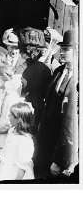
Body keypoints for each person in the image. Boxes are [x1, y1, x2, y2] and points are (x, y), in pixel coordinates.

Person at [35, 30, 78, 180]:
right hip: (47, 138)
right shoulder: (59, 71)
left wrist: (61, 159)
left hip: (62, 144)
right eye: (62, 48)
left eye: (67, 49)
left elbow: (72, 124)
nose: (62, 52)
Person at [18, 27, 52, 131]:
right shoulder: (19, 66)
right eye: (29, 47)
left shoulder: (44, 69)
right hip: (24, 108)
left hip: (30, 109)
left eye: (34, 49)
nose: (31, 51)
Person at [0, 102, 35, 181]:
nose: (8, 116)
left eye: (11, 115)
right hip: (4, 168)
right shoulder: (12, 130)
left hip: (14, 174)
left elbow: (23, 167)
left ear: (19, 120)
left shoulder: (25, 140)